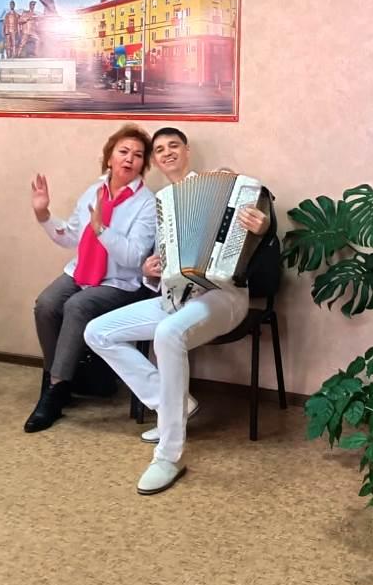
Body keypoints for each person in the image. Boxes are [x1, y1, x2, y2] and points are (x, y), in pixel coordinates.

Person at [84, 127, 270, 495]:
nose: (167, 152)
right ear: (154, 161)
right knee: (97, 332)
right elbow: (162, 266)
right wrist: (149, 270)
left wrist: (262, 227)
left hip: (222, 296)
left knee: (168, 333)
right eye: (159, 149)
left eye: (174, 146)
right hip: (176, 297)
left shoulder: (224, 185)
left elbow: (260, 226)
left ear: (186, 152)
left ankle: (168, 456)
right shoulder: (162, 203)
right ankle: (175, 404)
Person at [25, 124, 157, 434]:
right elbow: (71, 236)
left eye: (138, 155)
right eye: (123, 152)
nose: (130, 159)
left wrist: (101, 230)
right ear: (109, 157)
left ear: (143, 164)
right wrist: (44, 215)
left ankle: (55, 391)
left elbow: (135, 257)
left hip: (121, 282)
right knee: (46, 304)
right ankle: (56, 380)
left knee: (77, 306)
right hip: (82, 271)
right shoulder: (94, 190)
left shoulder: (146, 203)